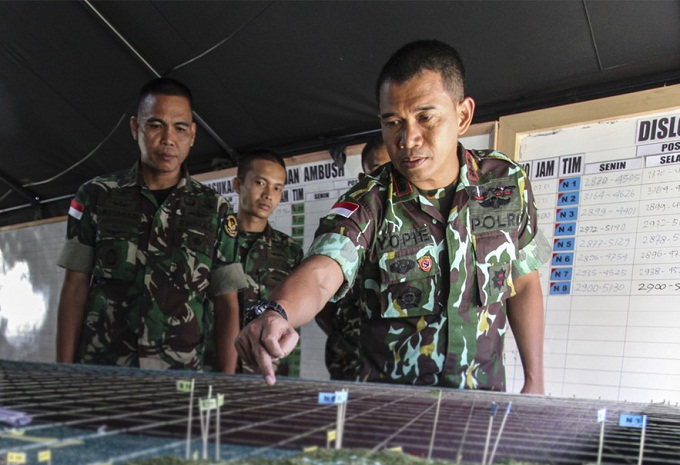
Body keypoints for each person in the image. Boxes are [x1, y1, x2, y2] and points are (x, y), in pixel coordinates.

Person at [236, 40, 551, 393]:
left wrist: (534, 383)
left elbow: (522, 282)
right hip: (393, 414)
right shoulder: (368, 202)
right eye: (393, 123)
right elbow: (322, 273)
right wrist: (275, 313)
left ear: (462, 115)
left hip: (480, 403)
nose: (407, 139)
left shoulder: (504, 184)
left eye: (425, 117)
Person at [56, 77, 245, 373]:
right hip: (104, 369)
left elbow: (227, 303)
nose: (168, 139)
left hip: (181, 374)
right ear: (135, 128)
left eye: (180, 128)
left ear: (193, 134)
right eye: (156, 125)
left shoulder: (215, 209)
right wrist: (63, 373)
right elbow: (75, 288)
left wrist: (227, 383)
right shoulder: (97, 195)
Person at [314, 137, 390, 380]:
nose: (388, 177)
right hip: (351, 362)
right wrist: (342, 333)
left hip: (400, 364)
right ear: (363, 178)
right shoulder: (347, 224)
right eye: (378, 170)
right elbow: (319, 291)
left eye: (394, 168)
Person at [231, 149, 304, 376]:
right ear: (238, 185)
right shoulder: (214, 241)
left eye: (277, 188)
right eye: (260, 183)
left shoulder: (290, 250)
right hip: (215, 369)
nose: (268, 194)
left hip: (271, 371)